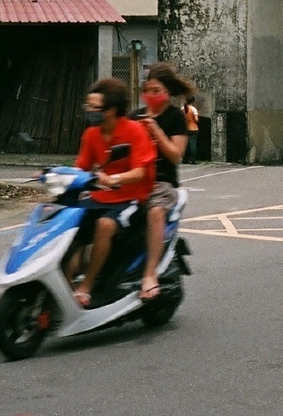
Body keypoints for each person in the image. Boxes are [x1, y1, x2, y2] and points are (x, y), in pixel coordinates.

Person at [71, 77, 156, 308]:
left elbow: (140, 171)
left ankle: (87, 287)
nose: (90, 113)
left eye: (95, 108)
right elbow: (81, 167)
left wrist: (114, 178)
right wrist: (56, 176)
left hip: (130, 199)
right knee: (68, 223)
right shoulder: (91, 134)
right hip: (100, 197)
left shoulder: (134, 131)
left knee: (105, 225)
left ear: (112, 110)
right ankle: (65, 282)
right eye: (88, 107)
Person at [132, 62, 195, 301]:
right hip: (133, 179)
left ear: (167, 92)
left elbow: (176, 155)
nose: (151, 96)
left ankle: (149, 274)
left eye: (156, 90)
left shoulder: (175, 118)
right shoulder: (135, 116)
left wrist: (156, 132)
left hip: (162, 183)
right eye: (147, 90)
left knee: (155, 211)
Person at [182, 93, 200, 164]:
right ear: (193, 101)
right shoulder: (193, 109)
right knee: (193, 145)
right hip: (193, 128)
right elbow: (196, 120)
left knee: (185, 145)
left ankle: (184, 159)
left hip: (185, 128)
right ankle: (193, 160)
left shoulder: (182, 108)